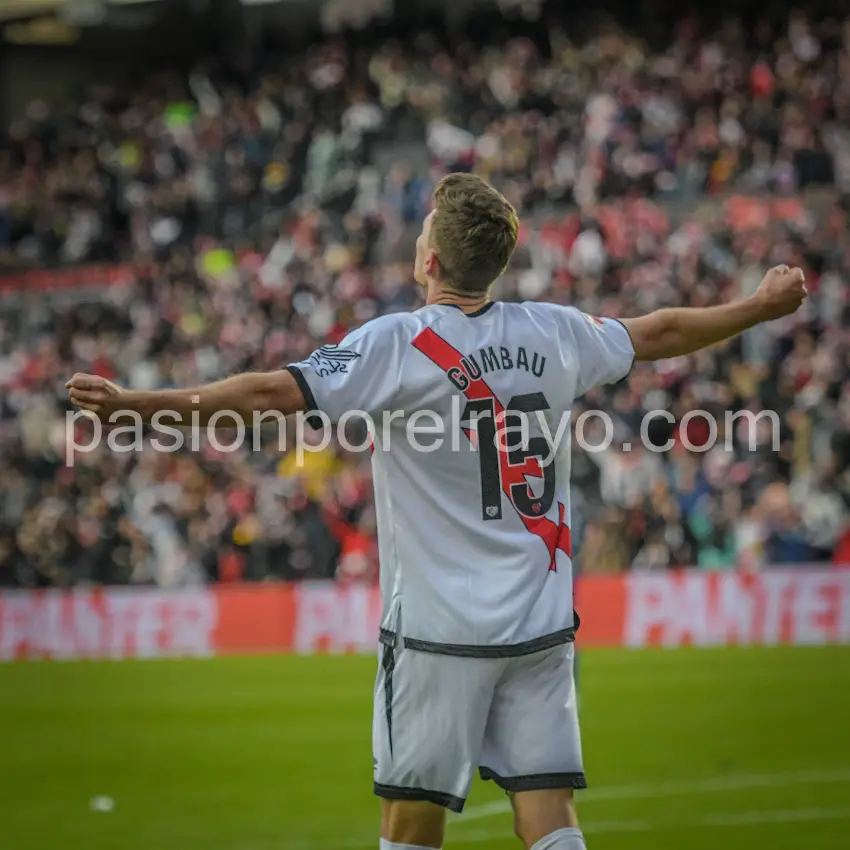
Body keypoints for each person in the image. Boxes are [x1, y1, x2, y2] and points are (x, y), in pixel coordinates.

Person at [67, 173, 807, 850]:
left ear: (429, 262)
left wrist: (137, 407)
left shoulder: (397, 345)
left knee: (410, 825)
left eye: (424, 232)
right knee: (547, 812)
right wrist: (760, 306)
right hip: (541, 625)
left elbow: (267, 397)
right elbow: (660, 334)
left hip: (438, 636)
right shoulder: (554, 332)